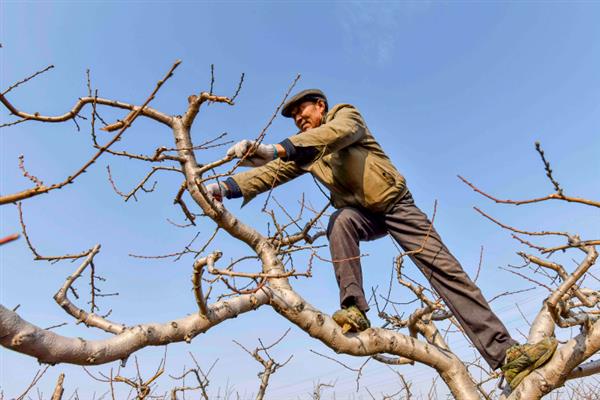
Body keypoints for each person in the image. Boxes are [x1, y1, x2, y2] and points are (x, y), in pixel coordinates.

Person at [205, 89, 557, 389]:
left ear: (321, 106)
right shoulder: (305, 154)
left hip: (396, 205)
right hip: (362, 216)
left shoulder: (346, 116)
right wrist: (224, 187)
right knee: (340, 222)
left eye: (303, 110)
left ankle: (506, 354)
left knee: (447, 273)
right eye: (293, 116)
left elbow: (332, 135)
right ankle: (354, 310)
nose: (299, 118)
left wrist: (277, 148)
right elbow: (270, 172)